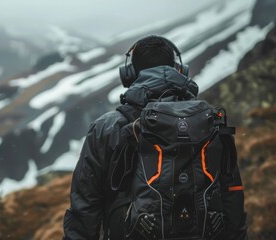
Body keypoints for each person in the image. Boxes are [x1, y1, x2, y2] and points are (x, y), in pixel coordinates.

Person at [62, 35, 247, 240]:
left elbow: (85, 206)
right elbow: (232, 193)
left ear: (129, 74)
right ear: (179, 70)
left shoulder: (106, 128)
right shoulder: (211, 121)